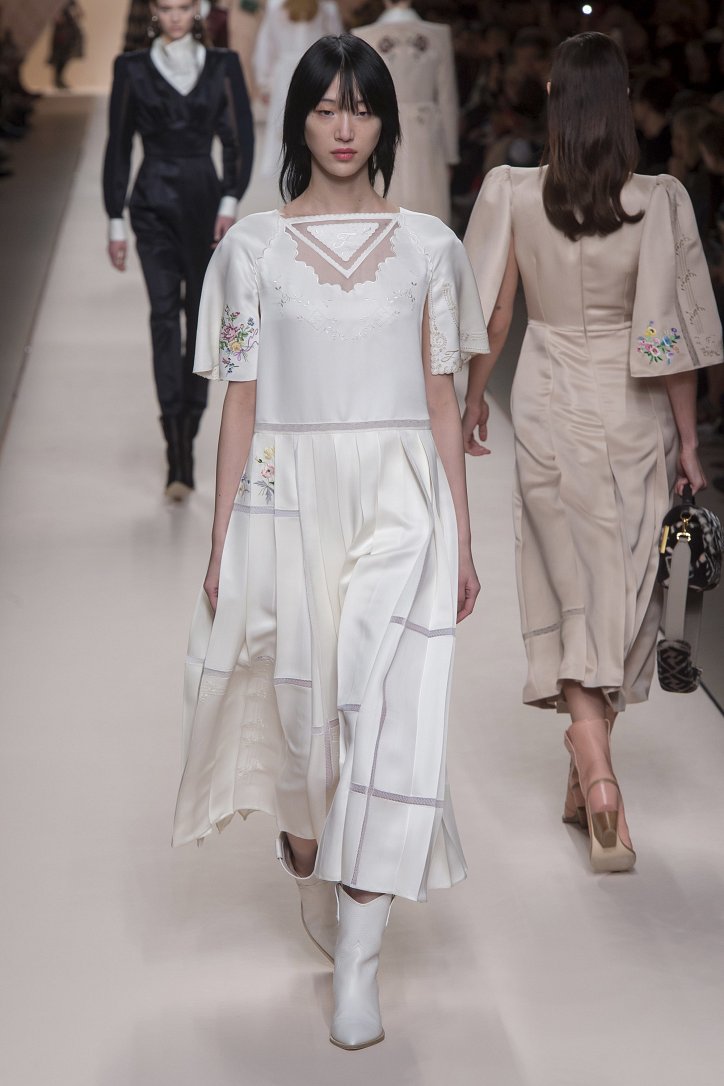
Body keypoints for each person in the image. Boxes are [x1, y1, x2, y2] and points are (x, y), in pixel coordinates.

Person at [172, 33, 487, 1049]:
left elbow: (442, 401)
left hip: (399, 498)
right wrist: (221, 540)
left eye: (361, 107)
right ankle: (308, 852)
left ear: (385, 121)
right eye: (324, 108)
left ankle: (361, 960)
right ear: (298, 120)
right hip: (285, 495)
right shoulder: (251, 251)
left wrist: (461, 537)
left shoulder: (430, 247)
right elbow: (240, 399)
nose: (344, 127)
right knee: (305, 724)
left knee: (382, 713)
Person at [462, 32, 722, 874]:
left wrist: (473, 398)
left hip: (547, 397)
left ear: (553, 100)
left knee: (569, 587)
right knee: (617, 593)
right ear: (621, 105)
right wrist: (690, 442)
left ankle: (592, 779)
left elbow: (496, 315)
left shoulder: (512, 193)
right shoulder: (660, 202)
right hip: (632, 408)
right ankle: (600, 768)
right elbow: (667, 334)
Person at [103, 0, 254, 499]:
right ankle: (177, 450)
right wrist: (114, 218)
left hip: (206, 206)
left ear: (198, 9)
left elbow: (238, 136)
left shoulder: (222, 65)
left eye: (184, 6)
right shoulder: (131, 68)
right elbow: (119, 144)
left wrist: (230, 198)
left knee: (201, 319)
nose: (174, 16)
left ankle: (189, 426)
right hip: (151, 205)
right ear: (154, 10)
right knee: (164, 317)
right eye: (166, 7)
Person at [353, 0, 459, 223]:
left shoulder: (364, 36)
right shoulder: (438, 35)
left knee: (386, 199)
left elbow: (359, 99)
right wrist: (450, 153)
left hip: (381, 129)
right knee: (429, 209)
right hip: (426, 131)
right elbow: (447, 98)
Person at [253, 0, 342, 178]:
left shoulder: (277, 6)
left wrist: (264, 80)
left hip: (289, 72)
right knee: (313, 116)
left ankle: (287, 168)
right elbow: (338, 43)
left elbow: (266, 45)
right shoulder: (325, 7)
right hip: (314, 68)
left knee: (288, 118)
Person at [48, 2, 84, 90]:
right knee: (60, 54)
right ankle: (58, 78)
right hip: (62, 29)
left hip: (69, 28)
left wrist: (78, 13)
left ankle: (59, 78)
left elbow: (77, 9)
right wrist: (56, 16)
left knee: (66, 54)